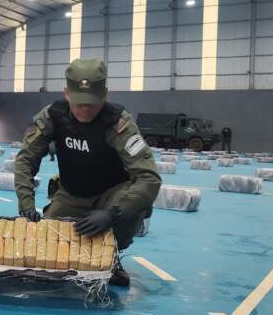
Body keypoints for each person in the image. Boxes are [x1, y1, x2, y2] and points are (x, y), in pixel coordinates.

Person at [14, 59, 162, 286]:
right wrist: (26, 203)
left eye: (91, 104)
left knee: (130, 210)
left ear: (104, 95)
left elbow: (149, 179)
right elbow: (26, 159)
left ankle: (110, 258)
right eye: (79, 103)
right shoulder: (52, 116)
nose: (85, 110)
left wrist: (113, 214)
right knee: (51, 239)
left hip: (110, 195)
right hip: (72, 193)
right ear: (66, 93)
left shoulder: (119, 124)